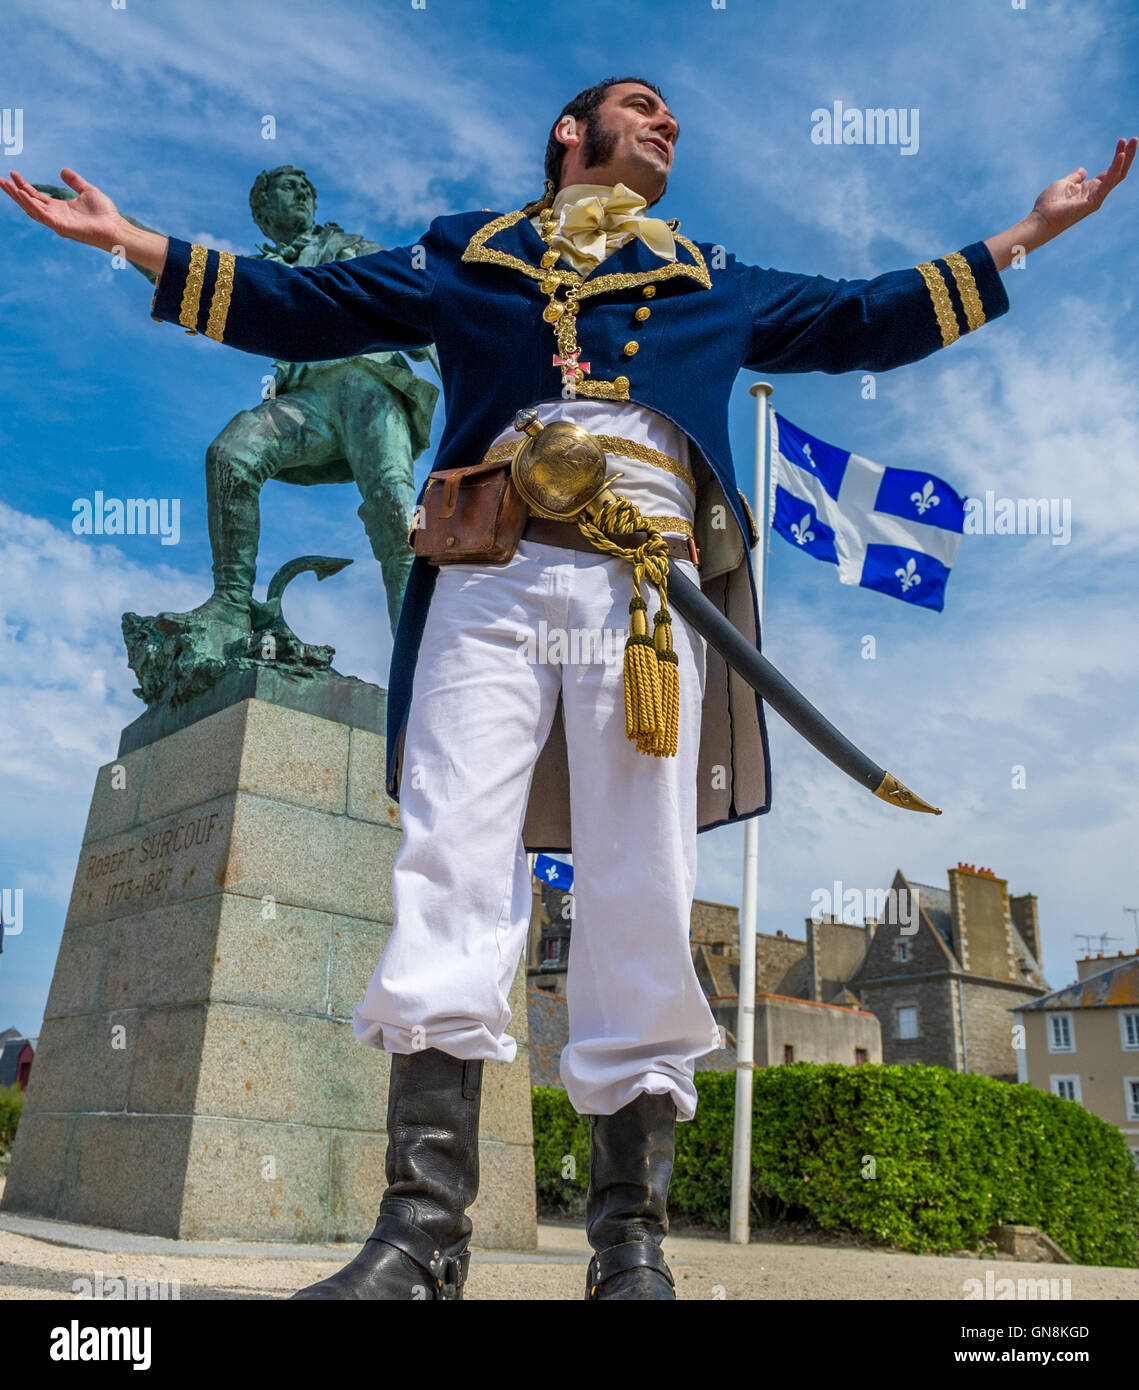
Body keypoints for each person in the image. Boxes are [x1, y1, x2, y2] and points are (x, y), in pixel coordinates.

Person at [5, 81, 1132, 1302]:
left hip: (638, 595)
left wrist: (1019, 236)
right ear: (568, 132)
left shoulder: (711, 273)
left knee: (639, 883)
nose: (668, 127)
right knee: (447, 861)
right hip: (489, 574)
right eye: (641, 109)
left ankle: (627, 1242)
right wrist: (134, 244)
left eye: (672, 121)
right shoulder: (465, 254)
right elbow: (307, 304)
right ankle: (421, 1234)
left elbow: (862, 315)